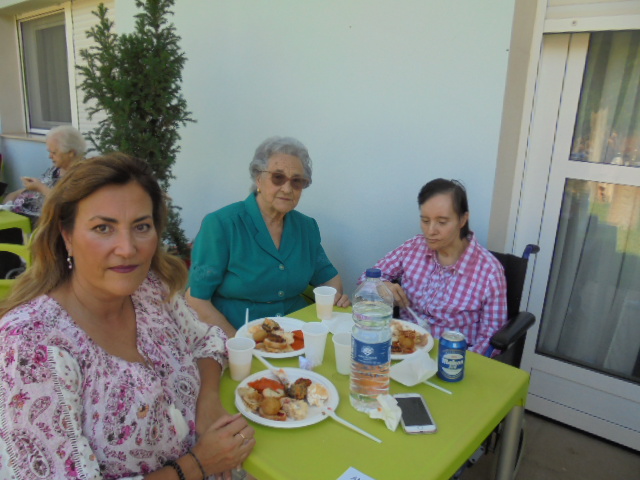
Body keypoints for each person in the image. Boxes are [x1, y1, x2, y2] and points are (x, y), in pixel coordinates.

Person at [0, 153, 255, 479]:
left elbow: (207, 341)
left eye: (141, 226)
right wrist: (199, 464)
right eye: (103, 228)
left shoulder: (151, 290)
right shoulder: (31, 344)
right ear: (67, 236)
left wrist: (208, 403)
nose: (127, 248)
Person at [187, 136, 350, 337]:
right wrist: (239, 344)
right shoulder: (222, 224)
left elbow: (328, 278)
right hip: (239, 332)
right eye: (278, 177)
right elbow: (196, 299)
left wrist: (333, 298)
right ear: (258, 178)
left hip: (296, 332)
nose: (287, 189)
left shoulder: (306, 227)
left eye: (296, 181)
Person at [364, 178, 507, 355]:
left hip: (450, 356)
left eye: (442, 222)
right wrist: (382, 287)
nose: (430, 231)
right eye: (425, 221)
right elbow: (366, 280)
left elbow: (491, 338)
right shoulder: (413, 247)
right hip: (403, 347)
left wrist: (461, 363)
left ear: (463, 219)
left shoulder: (489, 271)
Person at [3, 125, 86, 221]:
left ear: (71, 153)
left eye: (54, 153)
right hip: (17, 212)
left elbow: (67, 206)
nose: (50, 156)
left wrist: (40, 187)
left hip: (38, 221)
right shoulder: (56, 168)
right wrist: (19, 192)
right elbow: (39, 187)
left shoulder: (82, 174)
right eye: (49, 152)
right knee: (10, 195)